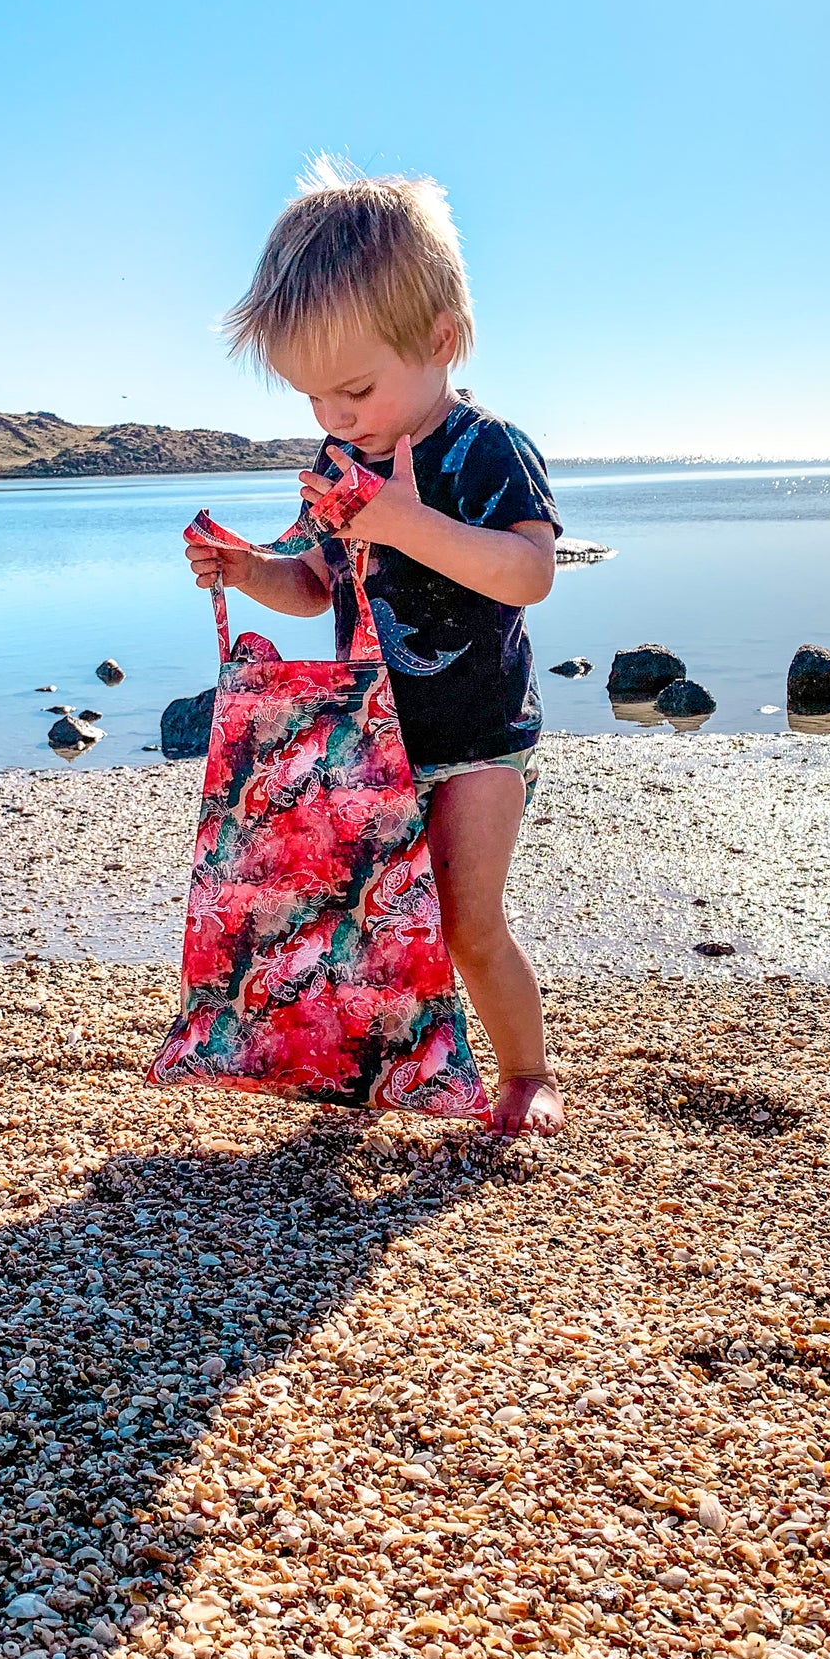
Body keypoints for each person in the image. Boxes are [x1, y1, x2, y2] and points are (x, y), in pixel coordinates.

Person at [185, 158, 564, 1137]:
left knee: (466, 923)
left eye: (353, 389)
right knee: (369, 928)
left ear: (437, 340)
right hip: (371, 741)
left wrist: (401, 520)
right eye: (314, 399)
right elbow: (314, 586)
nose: (335, 417)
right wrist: (242, 566)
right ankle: (383, 1065)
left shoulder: (487, 451)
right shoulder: (335, 465)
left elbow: (526, 575)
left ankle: (523, 1072)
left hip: (480, 730)